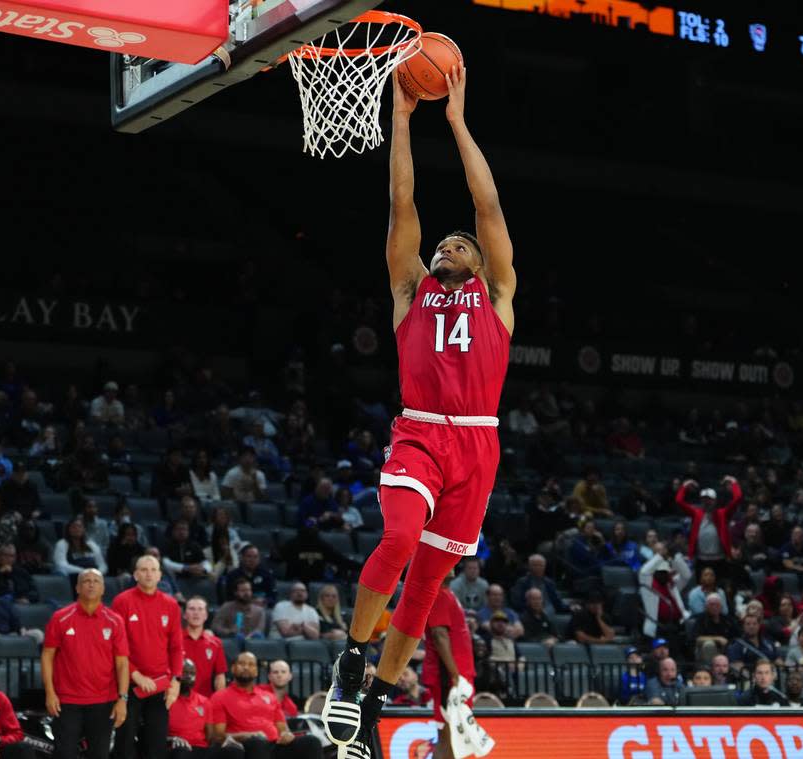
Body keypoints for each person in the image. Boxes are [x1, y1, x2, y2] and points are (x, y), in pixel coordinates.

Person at [323, 62, 517, 759]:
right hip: (420, 433)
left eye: (458, 243)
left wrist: (458, 121)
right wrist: (402, 119)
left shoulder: (498, 295)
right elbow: (402, 204)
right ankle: (352, 658)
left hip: (478, 448)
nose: (448, 246)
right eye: (444, 244)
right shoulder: (411, 288)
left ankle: (374, 702)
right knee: (400, 540)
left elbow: (488, 208)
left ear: (479, 259)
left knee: (428, 586)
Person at [41, 568, 129, 759]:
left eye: (96, 581)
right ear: (77, 588)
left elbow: (122, 663)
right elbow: (47, 656)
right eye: (86, 581)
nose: (91, 584)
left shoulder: (115, 621)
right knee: (65, 754)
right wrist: (50, 692)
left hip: (103, 701)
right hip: (67, 701)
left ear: (103, 588)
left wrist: (122, 699)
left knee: (99, 755)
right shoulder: (60, 617)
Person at [111, 555, 184, 759]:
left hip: (160, 685)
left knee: (156, 743)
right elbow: (116, 648)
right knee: (124, 740)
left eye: (153, 570)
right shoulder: (122, 601)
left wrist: (176, 680)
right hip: (129, 684)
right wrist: (137, 676)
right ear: (135, 575)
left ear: (160, 575)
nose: (148, 574)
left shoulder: (170, 605)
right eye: (143, 569)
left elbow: (177, 647)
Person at [209, 652, 322, 759]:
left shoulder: (269, 696)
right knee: (257, 742)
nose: (246, 667)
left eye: (251, 664)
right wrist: (247, 735)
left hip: (274, 745)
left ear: (256, 671)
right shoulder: (220, 697)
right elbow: (218, 736)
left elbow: (282, 729)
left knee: (311, 742)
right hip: (245, 746)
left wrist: (286, 735)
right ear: (233, 668)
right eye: (242, 664)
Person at [421, 573, 477, 759]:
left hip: (454, 675)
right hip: (447, 676)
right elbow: (439, 634)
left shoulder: (447, 593)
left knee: (452, 736)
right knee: (448, 735)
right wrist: (454, 674)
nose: (453, 563)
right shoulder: (439, 594)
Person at [167, 659, 232, 759]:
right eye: (184, 672)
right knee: (181, 751)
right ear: (175, 674)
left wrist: (226, 739)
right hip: (177, 748)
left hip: (201, 749)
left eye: (192, 673)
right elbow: (156, 734)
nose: (189, 677)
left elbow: (210, 737)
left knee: (233, 750)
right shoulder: (166, 699)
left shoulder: (204, 702)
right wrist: (172, 739)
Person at [180, 597, 227, 697]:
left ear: (206, 616)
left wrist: (219, 702)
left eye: (200, 609)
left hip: (205, 702)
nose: (196, 613)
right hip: (178, 700)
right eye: (192, 609)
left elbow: (220, 676)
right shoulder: (174, 640)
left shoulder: (216, 643)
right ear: (184, 615)